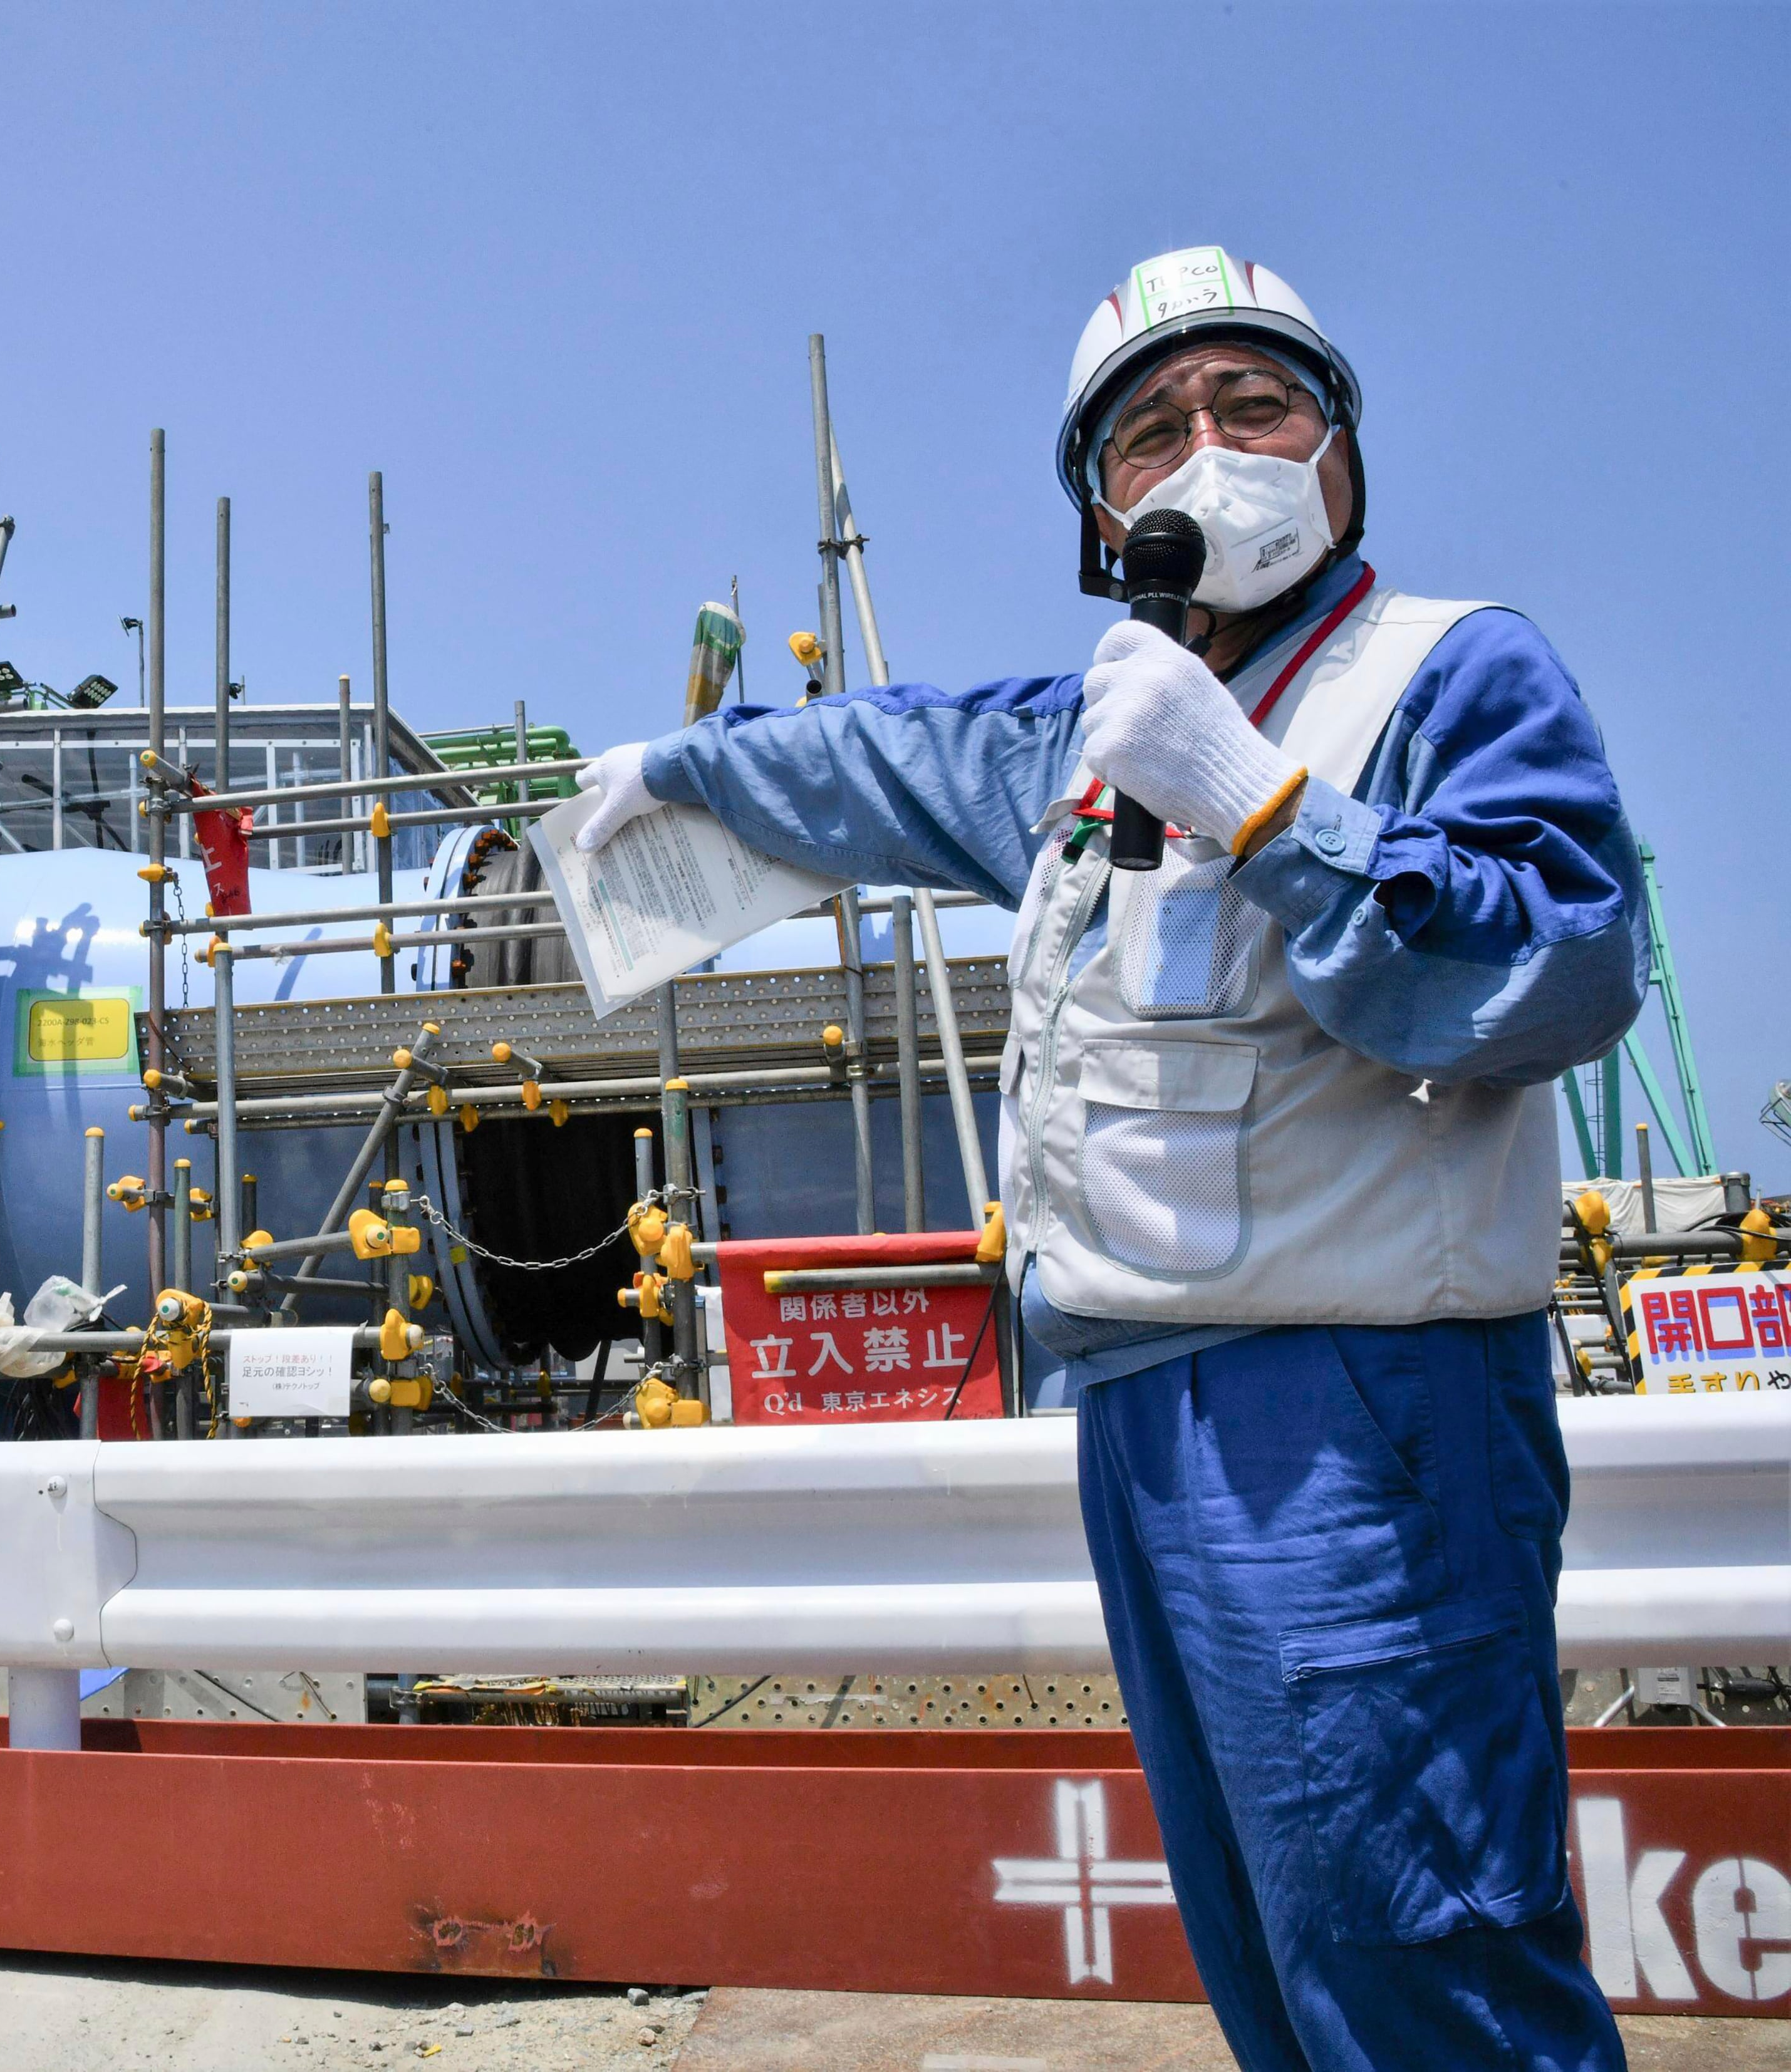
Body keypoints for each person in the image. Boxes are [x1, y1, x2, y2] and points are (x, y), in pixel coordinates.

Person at [574, 247, 1644, 2069]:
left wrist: (1274, 811)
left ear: (1338, 452)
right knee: (1273, 1964)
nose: (1207, 447)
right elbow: (887, 757)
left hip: (1364, 1414)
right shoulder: (1083, 745)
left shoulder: (1445, 669)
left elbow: (1567, 955)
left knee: (1421, 1963)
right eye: (1152, 428)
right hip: (1142, 1419)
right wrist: (681, 775)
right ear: (1101, 510)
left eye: (1255, 403)